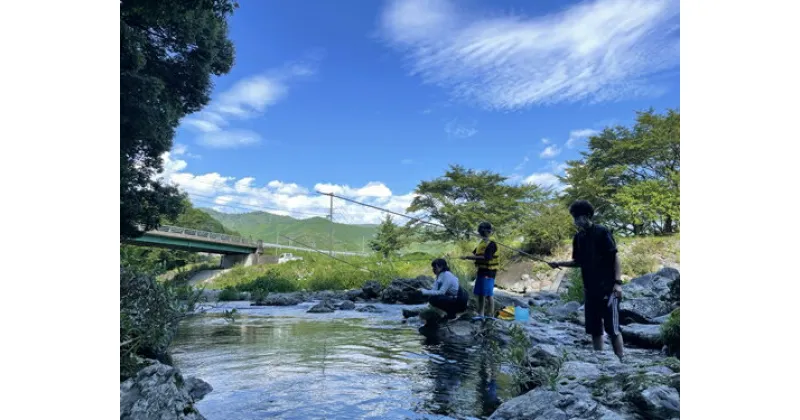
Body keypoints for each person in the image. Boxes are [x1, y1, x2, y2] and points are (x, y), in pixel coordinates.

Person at [548, 200, 625, 361]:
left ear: (588, 216)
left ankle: (621, 359)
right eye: (574, 217)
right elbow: (578, 262)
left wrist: (618, 283)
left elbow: (615, 256)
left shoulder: (602, 232)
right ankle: (599, 361)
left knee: (613, 329)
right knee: (594, 329)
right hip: (590, 290)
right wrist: (558, 263)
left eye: (578, 217)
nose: (576, 220)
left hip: (608, 288)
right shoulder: (578, 237)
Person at [460, 222, 498, 319]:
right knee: (480, 294)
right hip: (481, 270)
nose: (480, 232)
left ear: (488, 231)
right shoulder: (482, 242)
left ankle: (491, 315)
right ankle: (481, 314)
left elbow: (487, 258)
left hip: (489, 272)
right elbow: (475, 253)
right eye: (479, 231)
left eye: (482, 231)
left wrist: (468, 257)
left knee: (488, 294)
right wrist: (466, 256)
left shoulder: (492, 243)